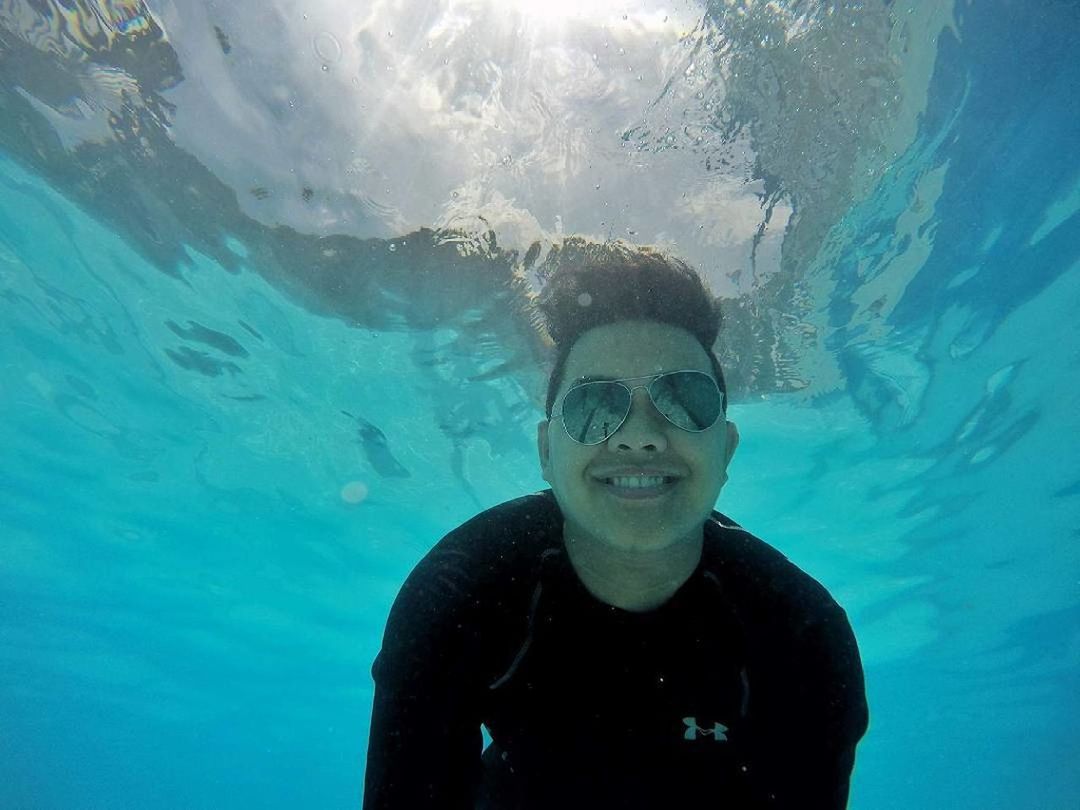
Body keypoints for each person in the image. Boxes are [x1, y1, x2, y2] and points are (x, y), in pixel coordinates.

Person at [363, 240, 869, 809]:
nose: (639, 436)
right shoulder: (462, 595)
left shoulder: (800, 634)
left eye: (682, 399)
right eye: (595, 405)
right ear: (546, 454)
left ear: (725, 449)